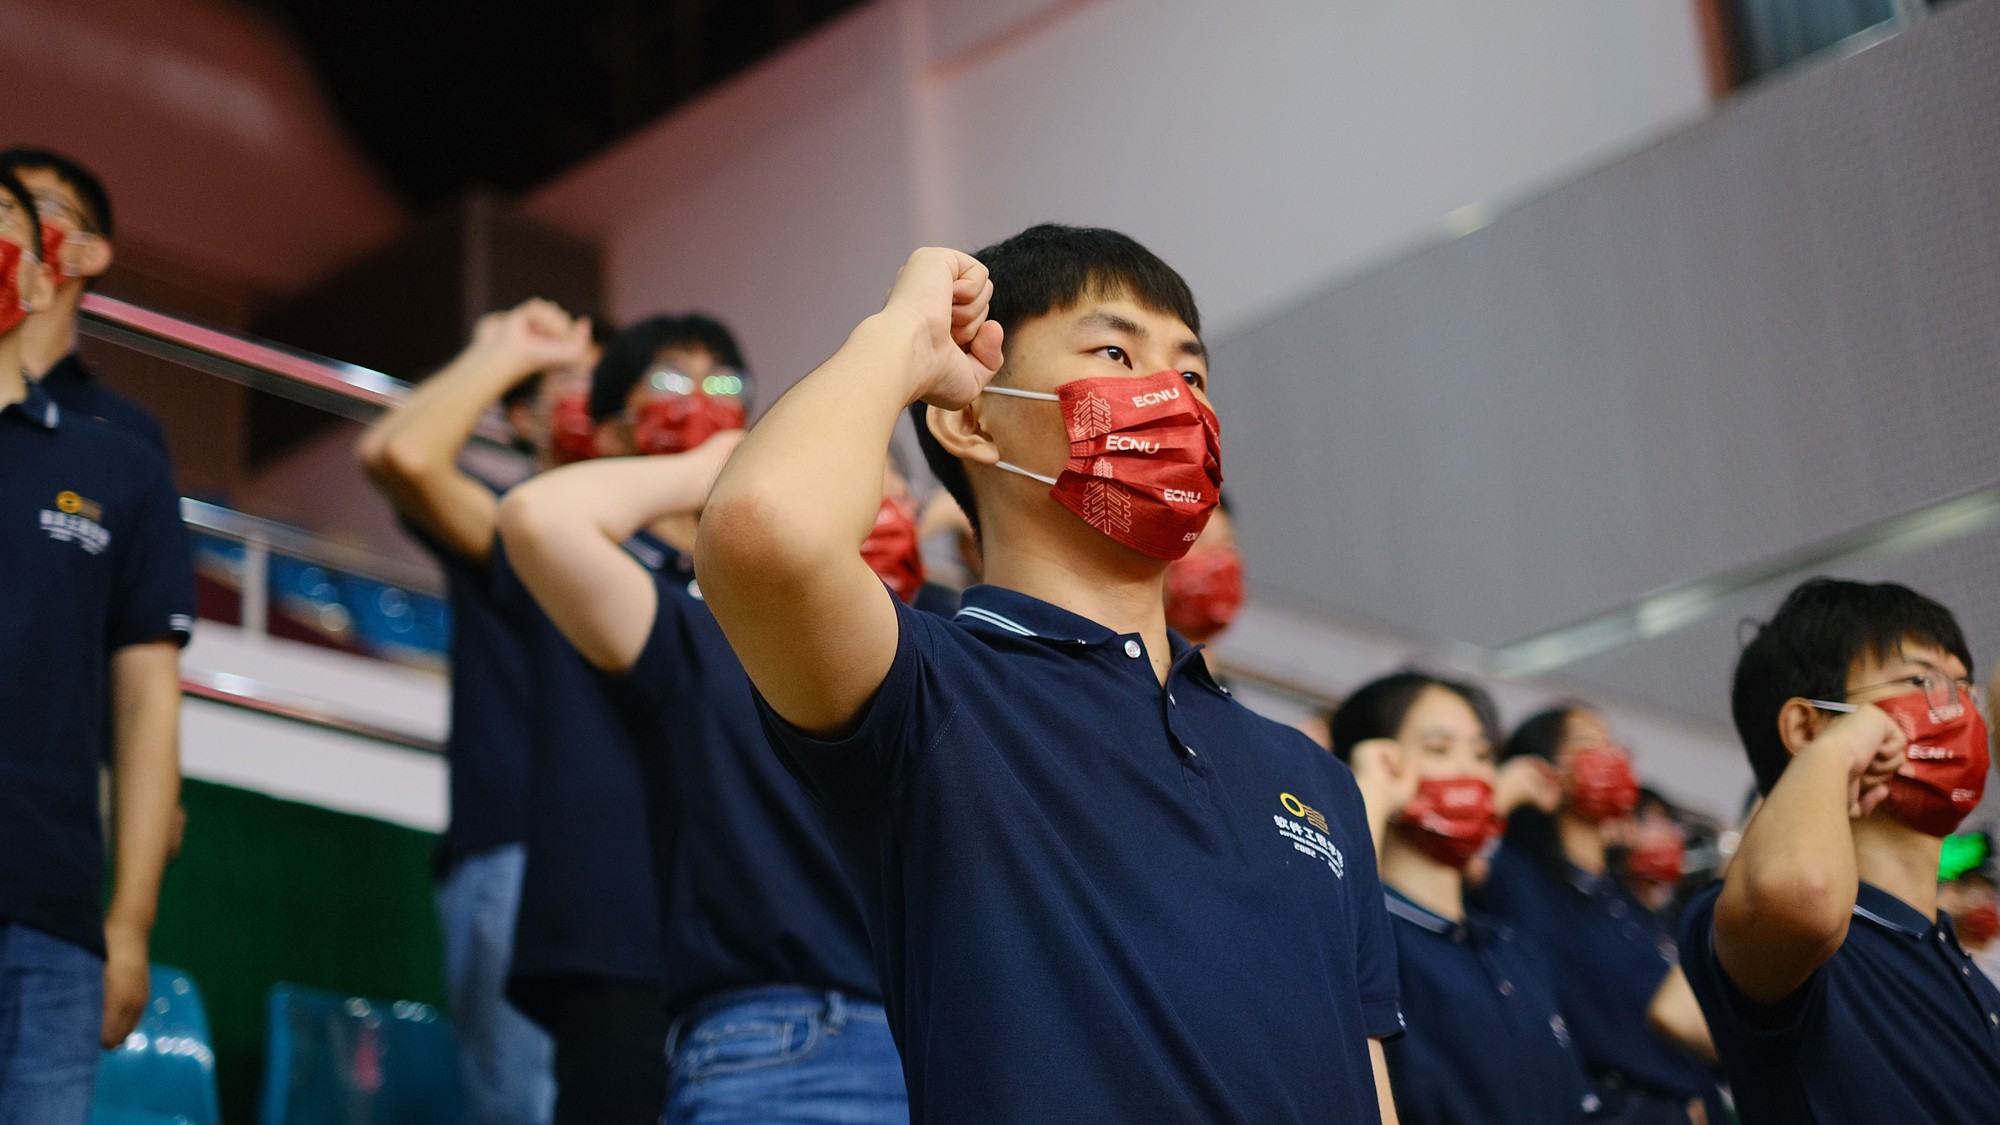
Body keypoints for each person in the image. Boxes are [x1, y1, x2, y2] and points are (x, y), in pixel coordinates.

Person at [696, 224, 1404, 1123]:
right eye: (1115, 353)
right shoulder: (929, 690)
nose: (1172, 400)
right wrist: (905, 335)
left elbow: (1371, 1088)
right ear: (972, 418)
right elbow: (762, 529)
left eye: (1192, 375)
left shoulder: (1313, 775)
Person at [497, 426, 927, 1122]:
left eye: (894, 498)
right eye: (848, 488)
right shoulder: (708, 636)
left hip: (945, 1057)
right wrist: (713, 469)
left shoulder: (946, 654)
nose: (876, 512)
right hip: (788, 1043)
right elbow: (539, 517)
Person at [357, 298, 605, 1125]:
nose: (590, 397)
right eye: (568, 384)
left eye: (602, 381)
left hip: (630, 867)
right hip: (515, 849)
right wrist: (502, 352)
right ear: (522, 416)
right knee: (522, 1106)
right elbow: (396, 451)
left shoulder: (647, 530)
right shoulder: (509, 519)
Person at [0, 171, 195, 1123]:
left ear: (43, 275)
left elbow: (149, 701)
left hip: (50, 910)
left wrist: (130, 920)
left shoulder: (119, 463)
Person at [1678, 578, 2000, 1121]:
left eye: (1965, 689)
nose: (1959, 712)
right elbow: (1799, 893)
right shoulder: (1753, 921)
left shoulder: (1960, 967)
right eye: (1922, 681)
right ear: (1807, 726)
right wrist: (1835, 751)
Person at [1333, 672, 1598, 1124]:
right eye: (1439, 750)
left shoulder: (1514, 948)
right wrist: (1368, 798)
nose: (1472, 773)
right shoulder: (1366, 936)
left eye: (1481, 755)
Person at [1477, 704, 1719, 1123]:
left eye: (1613, 744)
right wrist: (1512, 785)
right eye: (1589, 743)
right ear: (1546, 764)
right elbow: (1465, 858)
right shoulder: (1517, 877)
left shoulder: (1623, 897)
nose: (1612, 756)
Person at [0, 148, 166, 451]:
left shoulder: (126, 434)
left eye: (41, 204)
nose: (20, 221)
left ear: (91, 253)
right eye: (4, 209)